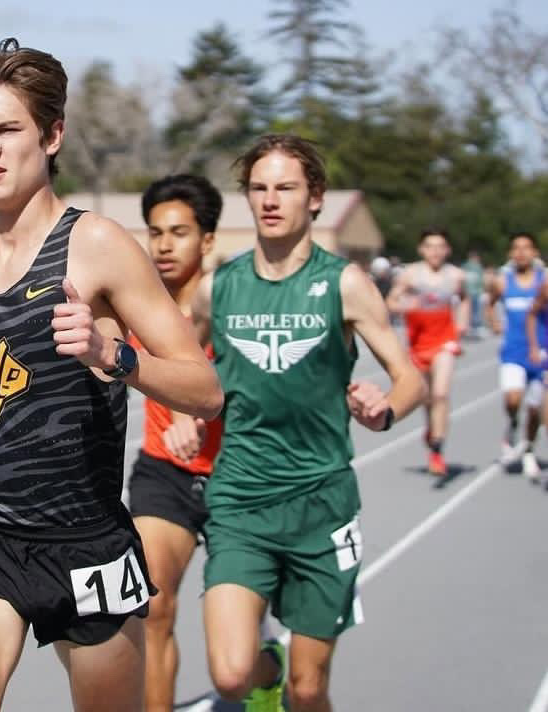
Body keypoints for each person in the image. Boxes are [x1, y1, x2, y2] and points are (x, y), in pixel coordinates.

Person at [0, 39, 223, 712]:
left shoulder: (97, 245)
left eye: (5, 129)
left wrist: (113, 358)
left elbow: (204, 390)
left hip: (84, 542)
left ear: (51, 134)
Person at [191, 134, 425, 711]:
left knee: (310, 688)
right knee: (229, 674)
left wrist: (384, 407)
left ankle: (286, 683)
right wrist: (177, 412)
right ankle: (262, 675)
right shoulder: (218, 287)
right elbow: (177, 361)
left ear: (314, 198)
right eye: (259, 188)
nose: (270, 200)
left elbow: (410, 376)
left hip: (321, 504)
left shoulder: (344, 283)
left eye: (286, 188)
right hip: (241, 499)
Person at [123, 174, 224, 711]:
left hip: (238, 475)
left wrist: (203, 417)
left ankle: (263, 667)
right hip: (164, 472)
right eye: (155, 232)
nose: (163, 244)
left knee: (234, 655)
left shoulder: (235, 303)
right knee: (152, 604)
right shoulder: (138, 303)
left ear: (207, 240)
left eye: (179, 232)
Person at [386, 229, 470, 476]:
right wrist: (406, 306)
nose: (435, 251)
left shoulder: (456, 276)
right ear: (421, 250)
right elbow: (390, 302)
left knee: (441, 394)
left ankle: (437, 448)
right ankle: (432, 427)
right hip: (418, 344)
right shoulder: (410, 275)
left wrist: (461, 324)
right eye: (430, 246)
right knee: (426, 397)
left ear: (447, 250)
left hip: (444, 341)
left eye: (440, 246)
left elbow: (464, 299)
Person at [485, 233, 545, 479]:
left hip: (541, 353)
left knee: (535, 410)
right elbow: (490, 304)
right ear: (510, 254)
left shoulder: (544, 281)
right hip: (513, 350)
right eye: (516, 248)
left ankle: (528, 449)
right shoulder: (503, 281)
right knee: (513, 399)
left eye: (526, 248)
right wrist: (495, 322)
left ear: (535, 253)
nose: (521, 253)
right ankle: (512, 425)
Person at [462, 250, 486, 339]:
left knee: (474, 311)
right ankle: (471, 328)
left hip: (474, 293)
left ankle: (474, 328)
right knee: (472, 311)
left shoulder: (469, 267)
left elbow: (481, 281)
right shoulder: (469, 267)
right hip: (470, 293)